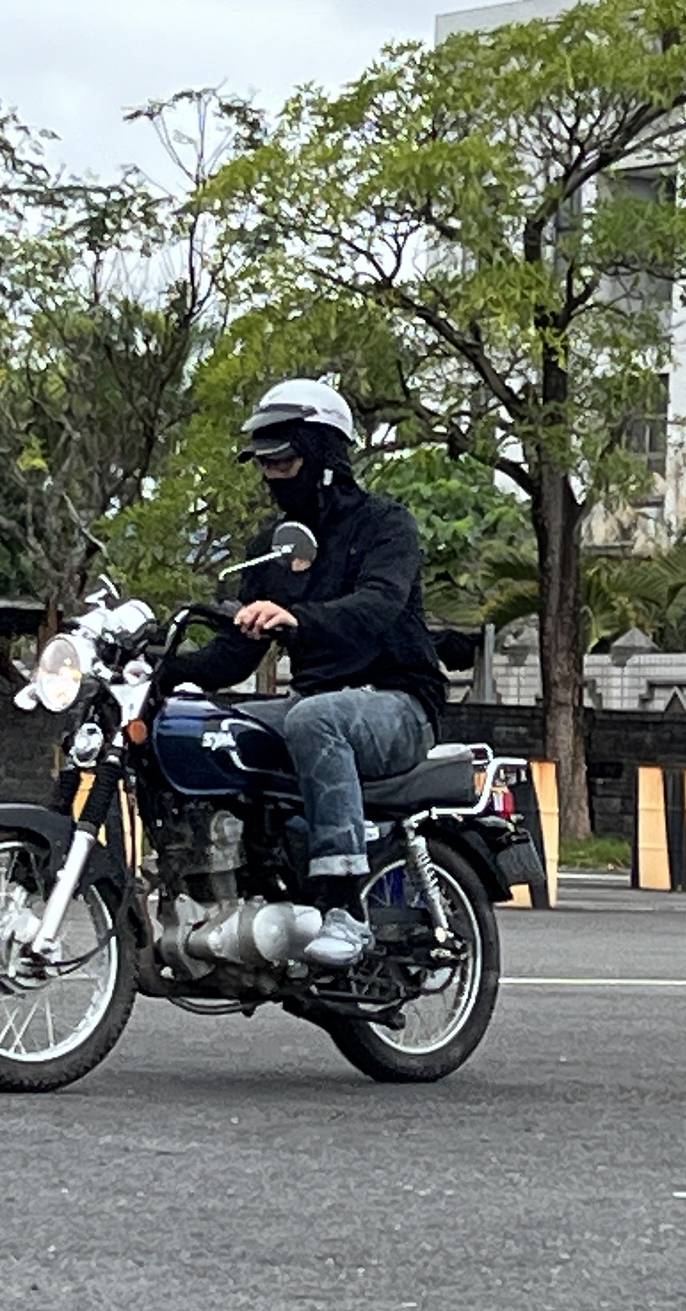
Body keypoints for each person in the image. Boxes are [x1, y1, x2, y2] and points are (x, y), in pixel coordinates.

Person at [170, 378, 446, 967]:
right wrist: (158, 667)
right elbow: (233, 658)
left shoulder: (385, 525)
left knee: (315, 718)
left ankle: (344, 908)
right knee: (202, 726)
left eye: (284, 460)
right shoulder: (273, 547)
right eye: (264, 464)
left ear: (323, 456)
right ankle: (237, 883)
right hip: (314, 705)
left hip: (399, 704)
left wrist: (297, 619)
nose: (272, 476)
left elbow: (378, 606)